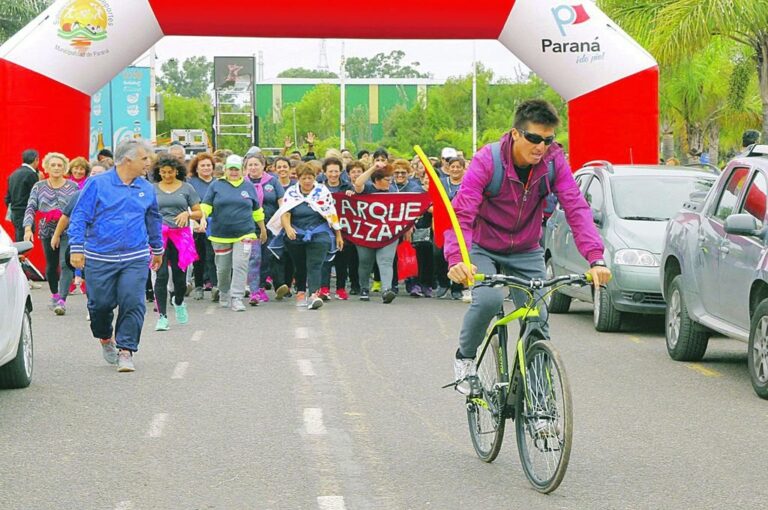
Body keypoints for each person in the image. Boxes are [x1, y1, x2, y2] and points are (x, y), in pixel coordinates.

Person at [444, 99, 612, 394]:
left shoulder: (553, 162)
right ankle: (465, 359)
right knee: (489, 301)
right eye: (534, 138)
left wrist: (596, 259)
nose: (541, 147)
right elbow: (462, 213)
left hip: (526, 248)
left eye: (548, 140)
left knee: (537, 316)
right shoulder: (488, 160)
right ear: (516, 134)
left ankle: (540, 404)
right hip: (483, 247)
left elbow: (576, 207)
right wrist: (458, 259)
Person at [68, 138, 163, 373]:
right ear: (127, 159)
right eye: (144, 158)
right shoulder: (97, 184)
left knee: (133, 301)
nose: (148, 163)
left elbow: (153, 219)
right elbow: (80, 216)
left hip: (135, 255)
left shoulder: (146, 187)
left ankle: (126, 350)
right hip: (100, 256)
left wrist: (158, 248)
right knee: (100, 305)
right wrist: (76, 247)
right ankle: (104, 337)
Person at [268, 163, 344, 309]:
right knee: (300, 265)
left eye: (310, 178)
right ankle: (301, 291)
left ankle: (314, 294)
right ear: (298, 178)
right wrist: (288, 227)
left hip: (319, 232)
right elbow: (285, 212)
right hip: (297, 234)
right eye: (304, 178)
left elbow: (331, 213)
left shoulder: (322, 191)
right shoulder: (291, 192)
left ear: (314, 178)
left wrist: (338, 235)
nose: (307, 181)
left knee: (315, 264)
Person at [200, 155, 266, 312]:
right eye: (231, 169)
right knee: (222, 268)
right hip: (220, 234)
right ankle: (224, 291)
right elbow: (206, 205)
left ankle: (237, 297)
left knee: (240, 265)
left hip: (245, 233)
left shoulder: (248, 186)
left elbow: (256, 210)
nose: (234, 172)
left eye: (237, 169)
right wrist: (202, 218)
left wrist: (262, 229)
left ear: (242, 170)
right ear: (225, 170)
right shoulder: (216, 185)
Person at [23, 152, 79, 315]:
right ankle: (54, 294)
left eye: (59, 165)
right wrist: (27, 228)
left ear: (65, 168)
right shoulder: (38, 186)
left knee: (65, 263)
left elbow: (78, 208)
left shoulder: (72, 187)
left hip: (68, 229)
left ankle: (62, 299)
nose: (56, 168)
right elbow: (31, 207)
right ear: (46, 167)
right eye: (53, 165)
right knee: (51, 266)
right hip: (47, 229)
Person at [151, 155, 202, 331]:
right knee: (161, 275)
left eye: (170, 172)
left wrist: (187, 214)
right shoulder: (152, 189)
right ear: (158, 172)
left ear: (177, 171)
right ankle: (162, 317)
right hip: (159, 237)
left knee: (180, 279)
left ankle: (178, 301)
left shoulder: (187, 188)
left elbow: (199, 213)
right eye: (163, 172)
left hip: (181, 237)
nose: (166, 175)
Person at [353, 161, 400, 304]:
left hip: (388, 233)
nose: (390, 182)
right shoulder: (367, 189)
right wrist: (373, 168)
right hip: (366, 232)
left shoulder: (393, 191)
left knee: (386, 261)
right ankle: (364, 288)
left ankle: (386, 290)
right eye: (387, 179)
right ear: (377, 180)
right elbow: (358, 183)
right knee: (365, 262)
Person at [244, 152, 284, 305]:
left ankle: (261, 287)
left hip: (270, 226)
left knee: (267, 257)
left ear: (263, 166)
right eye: (250, 165)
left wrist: (282, 220)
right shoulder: (242, 182)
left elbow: (281, 202)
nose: (253, 167)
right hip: (249, 226)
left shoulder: (273, 182)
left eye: (256, 164)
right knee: (254, 258)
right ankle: (254, 289)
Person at [318, 157, 354, 300]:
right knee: (325, 259)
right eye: (330, 171)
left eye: (336, 171)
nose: (333, 174)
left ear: (341, 172)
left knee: (342, 260)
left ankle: (340, 288)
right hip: (324, 228)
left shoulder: (347, 187)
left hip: (344, 228)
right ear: (325, 173)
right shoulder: (319, 188)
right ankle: (324, 288)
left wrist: (352, 196)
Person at [434, 157, 467, 300]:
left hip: (462, 225)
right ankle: (443, 283)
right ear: (448, 168)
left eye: (458, 167)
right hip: (442, 224)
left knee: (458, 255)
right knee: (438, 253)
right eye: (452, 166)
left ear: (463, 168)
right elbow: (433, 202)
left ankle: (457, 287)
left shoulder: (468, 183)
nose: (455, 169)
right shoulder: (441, 183)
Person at [188, 153, 218, 300]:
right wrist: (195, 222)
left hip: (214, 225)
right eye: (203, 165)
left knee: (213, 256)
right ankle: (198, 285)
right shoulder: (190, 183)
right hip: (196, 225)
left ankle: (215, 286)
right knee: (198, 257)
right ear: (197, 168)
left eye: (208, 165)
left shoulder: (218, 183)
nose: (206, 168)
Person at [5, 149, 40, 241]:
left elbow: (7, 198)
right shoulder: (31, 174)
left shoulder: (13, 174)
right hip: (25, 212)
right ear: (36, 159)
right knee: (25, 242)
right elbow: (36, 195)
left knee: (19, 239)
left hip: (14, 213)